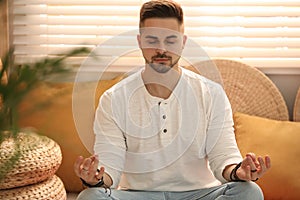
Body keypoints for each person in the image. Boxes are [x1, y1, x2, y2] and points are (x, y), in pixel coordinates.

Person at [74, 0, 271, 199]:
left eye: (170, 41)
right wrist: (95, 179)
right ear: (140, 41)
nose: (162, 49)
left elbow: (224, 158)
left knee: (249, 192)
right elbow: (109, 171)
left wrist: (239, 172)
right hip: (138, 195)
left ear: (183, 42)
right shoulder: (113, 99)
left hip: (201, 194)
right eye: (152, 40)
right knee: (90, 197)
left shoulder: (211, 93)